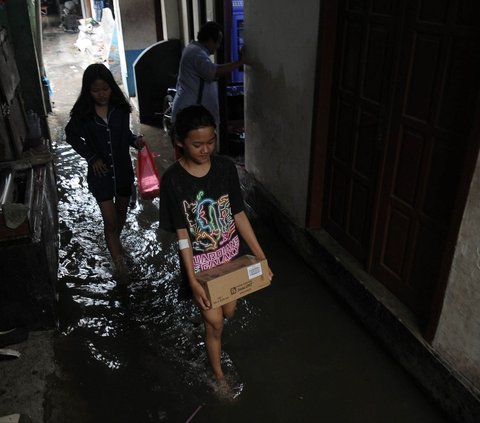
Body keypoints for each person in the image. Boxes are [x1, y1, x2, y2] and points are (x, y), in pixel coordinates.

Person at [159, 105, 273, 396]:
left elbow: (238, 214)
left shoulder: (223, 168)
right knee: (216, 323)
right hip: (200, 263)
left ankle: (209, 332)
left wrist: (261, 256)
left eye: (211, 142)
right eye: (197, 144)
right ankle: (219, 377)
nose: (206, 149)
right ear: (180, 142)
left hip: (231, 256)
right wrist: (193, 279)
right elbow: (183, 234)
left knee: (230, 312)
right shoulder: (172, 180)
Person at [65, 63, 145, 281]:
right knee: (110, 222)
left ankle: (113, 244)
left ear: (111, 87)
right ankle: (121, 269)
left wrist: (134, 141)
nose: (101, 94)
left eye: (105, 89)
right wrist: (91, 157)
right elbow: (70, 135)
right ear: (88, 91)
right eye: (95, 90)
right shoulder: (83, 114)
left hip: (123, 172)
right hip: (100, 176)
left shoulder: (120, 109)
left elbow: (124, 133)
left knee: (120, 216)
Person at [170, 21, 246, 157]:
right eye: (218, 41)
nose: (218, 46)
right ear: (210, 40)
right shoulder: (196, 54)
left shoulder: (195, 51)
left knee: (193, 158)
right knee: (192, 159)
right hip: (191, 116)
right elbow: (214, 71)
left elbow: (213, 70)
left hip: (192, 114)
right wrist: (239, 63)